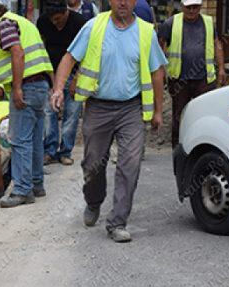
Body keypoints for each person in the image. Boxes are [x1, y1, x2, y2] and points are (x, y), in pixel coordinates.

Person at [51, 0, 167, 243]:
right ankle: (93, 201)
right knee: (92, 164)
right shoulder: (94, 27)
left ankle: (117, 222)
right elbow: (69, 58)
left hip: (131, 109)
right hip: (98, 106)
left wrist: (158, 110)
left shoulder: (146, 32)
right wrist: (59, 89)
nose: (122, 2)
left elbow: (157, 71)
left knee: (130, 165)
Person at [0, 0, 54, 208]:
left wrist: (18, 88)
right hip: (40, 85)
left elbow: (17, 51)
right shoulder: (24, 22)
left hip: (27, 87)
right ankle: (37, 184)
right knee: (35, 139)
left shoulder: (4, 24)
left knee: (20, 140)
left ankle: (22, 190)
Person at [159, 0, 225, 148]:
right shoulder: (170, 24)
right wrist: (161, 72)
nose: (192, 10)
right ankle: (178, 148)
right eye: (189, 7)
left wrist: (221, 68)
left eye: (195, 7)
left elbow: (217, 44)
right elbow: (160, 48)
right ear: (182, 6)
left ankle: (204, 146)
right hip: (180, 80)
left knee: (206, 115)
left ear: (200, 7)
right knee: (179, 115)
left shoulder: (208, 23)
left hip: (204, 79)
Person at [37, 0, 86, 166]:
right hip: (50, 74)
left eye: (58, 19)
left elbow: (87, 55)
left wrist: (77, 79)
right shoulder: (43, 22)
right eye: (52, 20)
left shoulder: (80, 23)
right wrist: (49, 77)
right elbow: (41, 49)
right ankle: (49, 151)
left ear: (66, 12)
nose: (55, 23)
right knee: (49, 113)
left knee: (71, 114)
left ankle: (65, 151)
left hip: (74, 74)